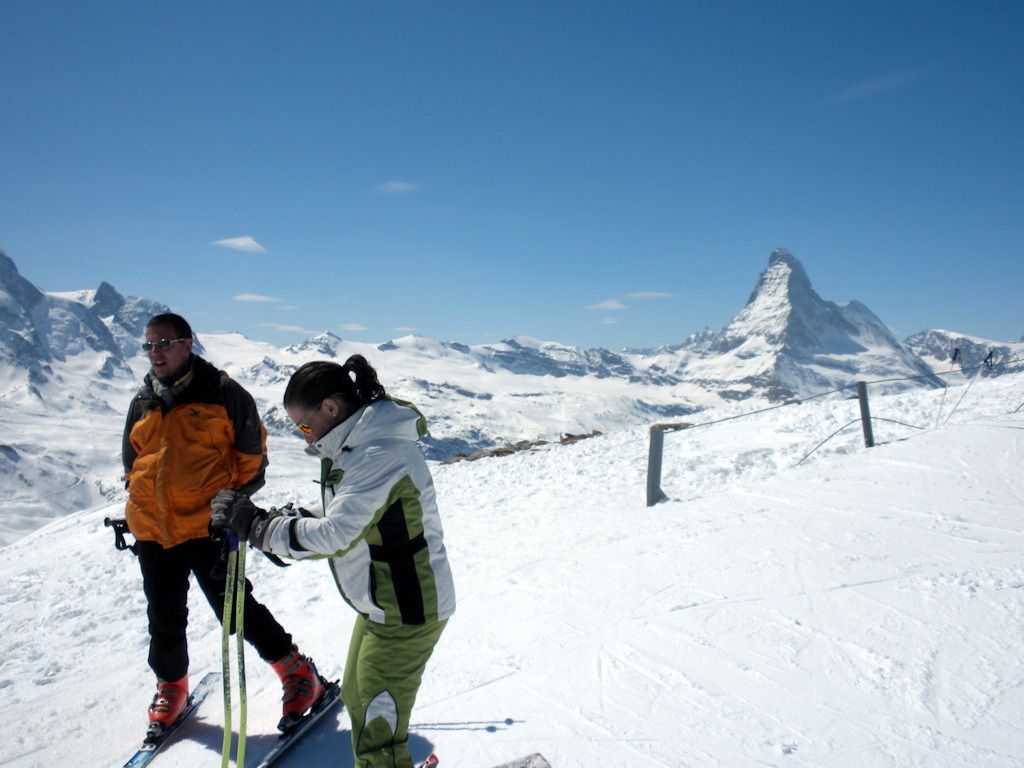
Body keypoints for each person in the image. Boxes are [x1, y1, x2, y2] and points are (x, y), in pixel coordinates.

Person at [211, 355, 456, 768]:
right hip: (382, 602)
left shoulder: (378, 454)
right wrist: (274, 525)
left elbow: (335, 535)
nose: (304, 437)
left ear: (330, 408)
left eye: (304, 425)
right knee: (358, 696)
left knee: (378, 723)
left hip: (408, 608)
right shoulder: (353, 448)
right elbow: (343, 519)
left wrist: (259, 528)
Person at [122, 312, 324, 735]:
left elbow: (252, 462)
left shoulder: (225, 394)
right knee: (163, 616)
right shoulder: (143, 401)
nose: (155, 352)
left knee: (234, 610)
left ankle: (297, 672)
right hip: (154, 530)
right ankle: (171, 686)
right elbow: (133, 463)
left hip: (210, 527)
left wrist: (231, 508)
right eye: (149, 345)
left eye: (164, 342)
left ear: (187, 343)